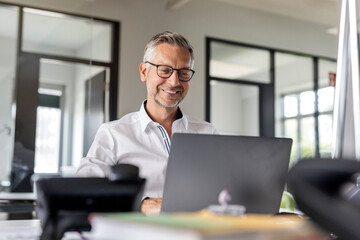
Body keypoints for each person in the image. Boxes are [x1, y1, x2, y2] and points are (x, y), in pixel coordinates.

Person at [76, 31, 217, 215]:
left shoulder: (208, 133)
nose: (174, 81)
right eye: (165, 70)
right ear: (144, 72)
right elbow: (83, 192)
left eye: (183, 73)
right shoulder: (113, 134)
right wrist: (140, 204)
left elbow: (225, 190)